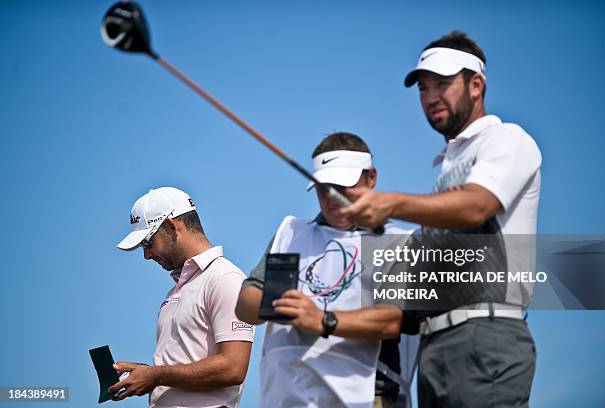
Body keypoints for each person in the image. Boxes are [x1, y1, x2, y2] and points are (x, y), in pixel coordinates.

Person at [340, 31, 541, 407]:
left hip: (486, 336)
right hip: (436, 349)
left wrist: (390, 204)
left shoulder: (507, 140)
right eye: (423, 88)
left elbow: (476, 206)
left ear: (476, 84)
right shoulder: (444, 172)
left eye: (443, 84)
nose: (431, 97)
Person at [235, 132, 418, 408]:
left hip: (368, 398)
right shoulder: (291, 232)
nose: (332, 198)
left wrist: (322, 320)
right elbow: (246, 302)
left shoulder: (400, 240)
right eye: (323, 188)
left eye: (343, 186)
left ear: (371, 178)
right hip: (287, 397)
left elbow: (391, 321)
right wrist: (278, 303)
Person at [112, 187, 254, 408]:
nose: (146, 255)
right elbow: (180, 366)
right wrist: (148, 374)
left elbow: (234, 367)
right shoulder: (177, 291)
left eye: (148, 243)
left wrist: (156, 375)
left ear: (170, 226)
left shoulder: (225, 278)